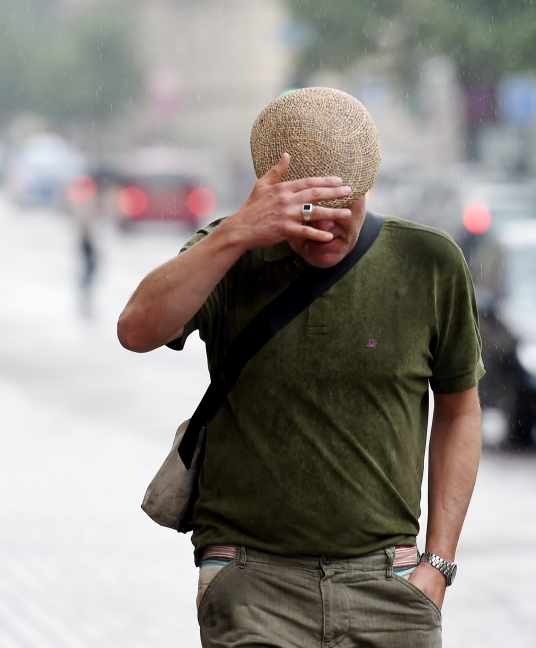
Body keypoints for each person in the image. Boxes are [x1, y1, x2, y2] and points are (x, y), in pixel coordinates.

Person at [117, 88, 484, 647]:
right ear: (274, 193)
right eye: (309, 209)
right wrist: (238, 230)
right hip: (251, 583)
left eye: (347, 207)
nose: (329, 228)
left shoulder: (429, 263)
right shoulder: (228, 253)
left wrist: (438, 564)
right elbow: (136, 330)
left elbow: (460, 413)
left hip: (389, 585)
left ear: (369, 187)